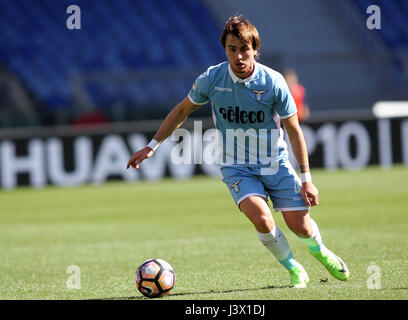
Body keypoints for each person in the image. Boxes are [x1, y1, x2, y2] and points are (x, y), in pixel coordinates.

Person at [127, 15, 349, 288]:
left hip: (274, 163)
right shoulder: (212, 78)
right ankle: (294, 269)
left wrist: (306, 179)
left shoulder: (273, 81)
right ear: (225, 50)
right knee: (262, 218)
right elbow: (183, 109)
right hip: (237, 166)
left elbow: (294, 131)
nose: (239, 56)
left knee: (300, 226)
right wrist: (152, 146)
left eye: (244, 49)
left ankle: (321, 252)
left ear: (255, 50)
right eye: (232, 49)